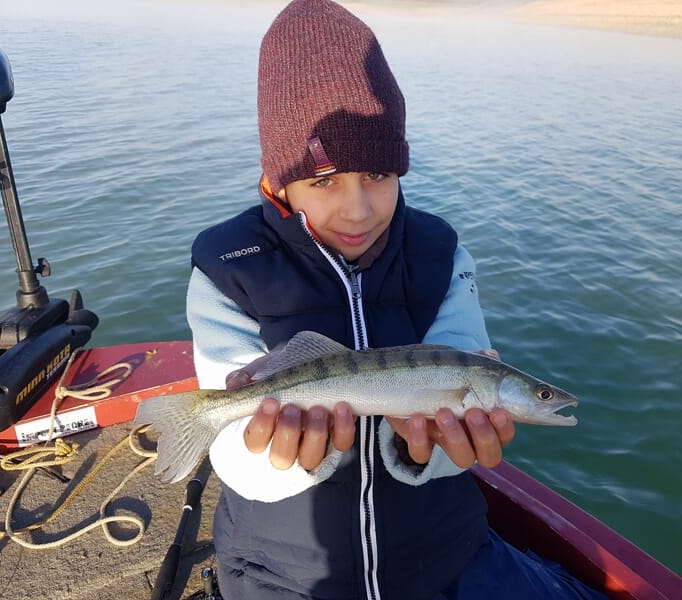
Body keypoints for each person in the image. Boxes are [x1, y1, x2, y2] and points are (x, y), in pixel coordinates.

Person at [187, 1, 607, 598]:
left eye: (379, 175)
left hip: (445, 548)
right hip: (282, 570)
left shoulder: (440, 252)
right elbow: (234, 451)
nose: (358, 209)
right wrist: (285, 456)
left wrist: (432, 453)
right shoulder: (227, 265)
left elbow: (456, 374)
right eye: (325, 181)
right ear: (280, 179)